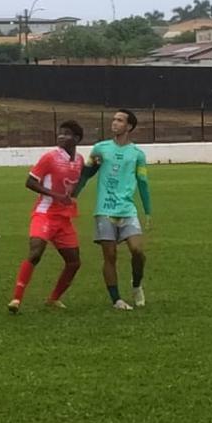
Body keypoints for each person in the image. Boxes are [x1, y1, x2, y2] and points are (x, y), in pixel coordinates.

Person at [74, 108, 152, 310]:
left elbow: (143, 182)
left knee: (137, 251)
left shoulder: (137, 154)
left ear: (129, 126)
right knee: (110, 256)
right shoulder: (100, 148)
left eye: (119, 120)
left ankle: (136, 285)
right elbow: (86, 174)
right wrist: (73, 195)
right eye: (114, 119)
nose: (114, 123)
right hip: (104, 209)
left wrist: (148, 210)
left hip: (127, 209)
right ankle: (117, 299)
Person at [7, 121, 85, 314]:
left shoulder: (80, 160)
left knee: (74, 262)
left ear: (76, 139)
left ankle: (53, 299)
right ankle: (16, 298)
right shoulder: (50, 157)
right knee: (35, 253)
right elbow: (30, 182)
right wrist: (55, 195)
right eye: (60, 133)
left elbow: (75, 183)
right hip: (45, 213)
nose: (61, 137)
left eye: (66, 134)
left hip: (64, 218)